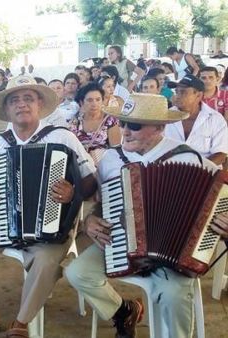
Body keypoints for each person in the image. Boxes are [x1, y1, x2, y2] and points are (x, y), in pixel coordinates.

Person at [65, 93, 225, 338]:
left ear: (160, 128)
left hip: (174, 254)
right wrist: (90, 220)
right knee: (78, 272)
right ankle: (123, 310)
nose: (126, 131)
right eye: (123, 123)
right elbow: (101, 204)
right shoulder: (111, 159)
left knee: (173, 294)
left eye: (136, 126)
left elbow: (221, 197)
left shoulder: (189, 158)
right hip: (118, 241)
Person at [0, 76, 96, 338]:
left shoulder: (62, 137)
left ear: (39, 103)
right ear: (6, 110)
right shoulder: (1, 143)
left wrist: (73, 192)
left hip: (54, 223)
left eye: (28, 98)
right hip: (5, 219)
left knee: (46, 258)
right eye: (14, 100)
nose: (22, 105)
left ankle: (21, 323)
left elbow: (90, 181)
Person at [165, 74, 228, 167]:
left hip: (206, 174)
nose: (177, 96)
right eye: (176, 91)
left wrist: (196, 171)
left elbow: (220, 155)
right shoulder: (166, 117)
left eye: (183, 92)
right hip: (171, 172)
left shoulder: (215, 119)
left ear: (198, 95)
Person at [69, 83, 121, 165]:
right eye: (90, 100)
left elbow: (116, 149)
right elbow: (71, 148)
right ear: (82, 102)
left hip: (105, 164)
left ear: (102, 101)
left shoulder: (110, 120)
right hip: (82, 165)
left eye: (98, 99)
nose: (94, 104)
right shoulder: (75, 122)